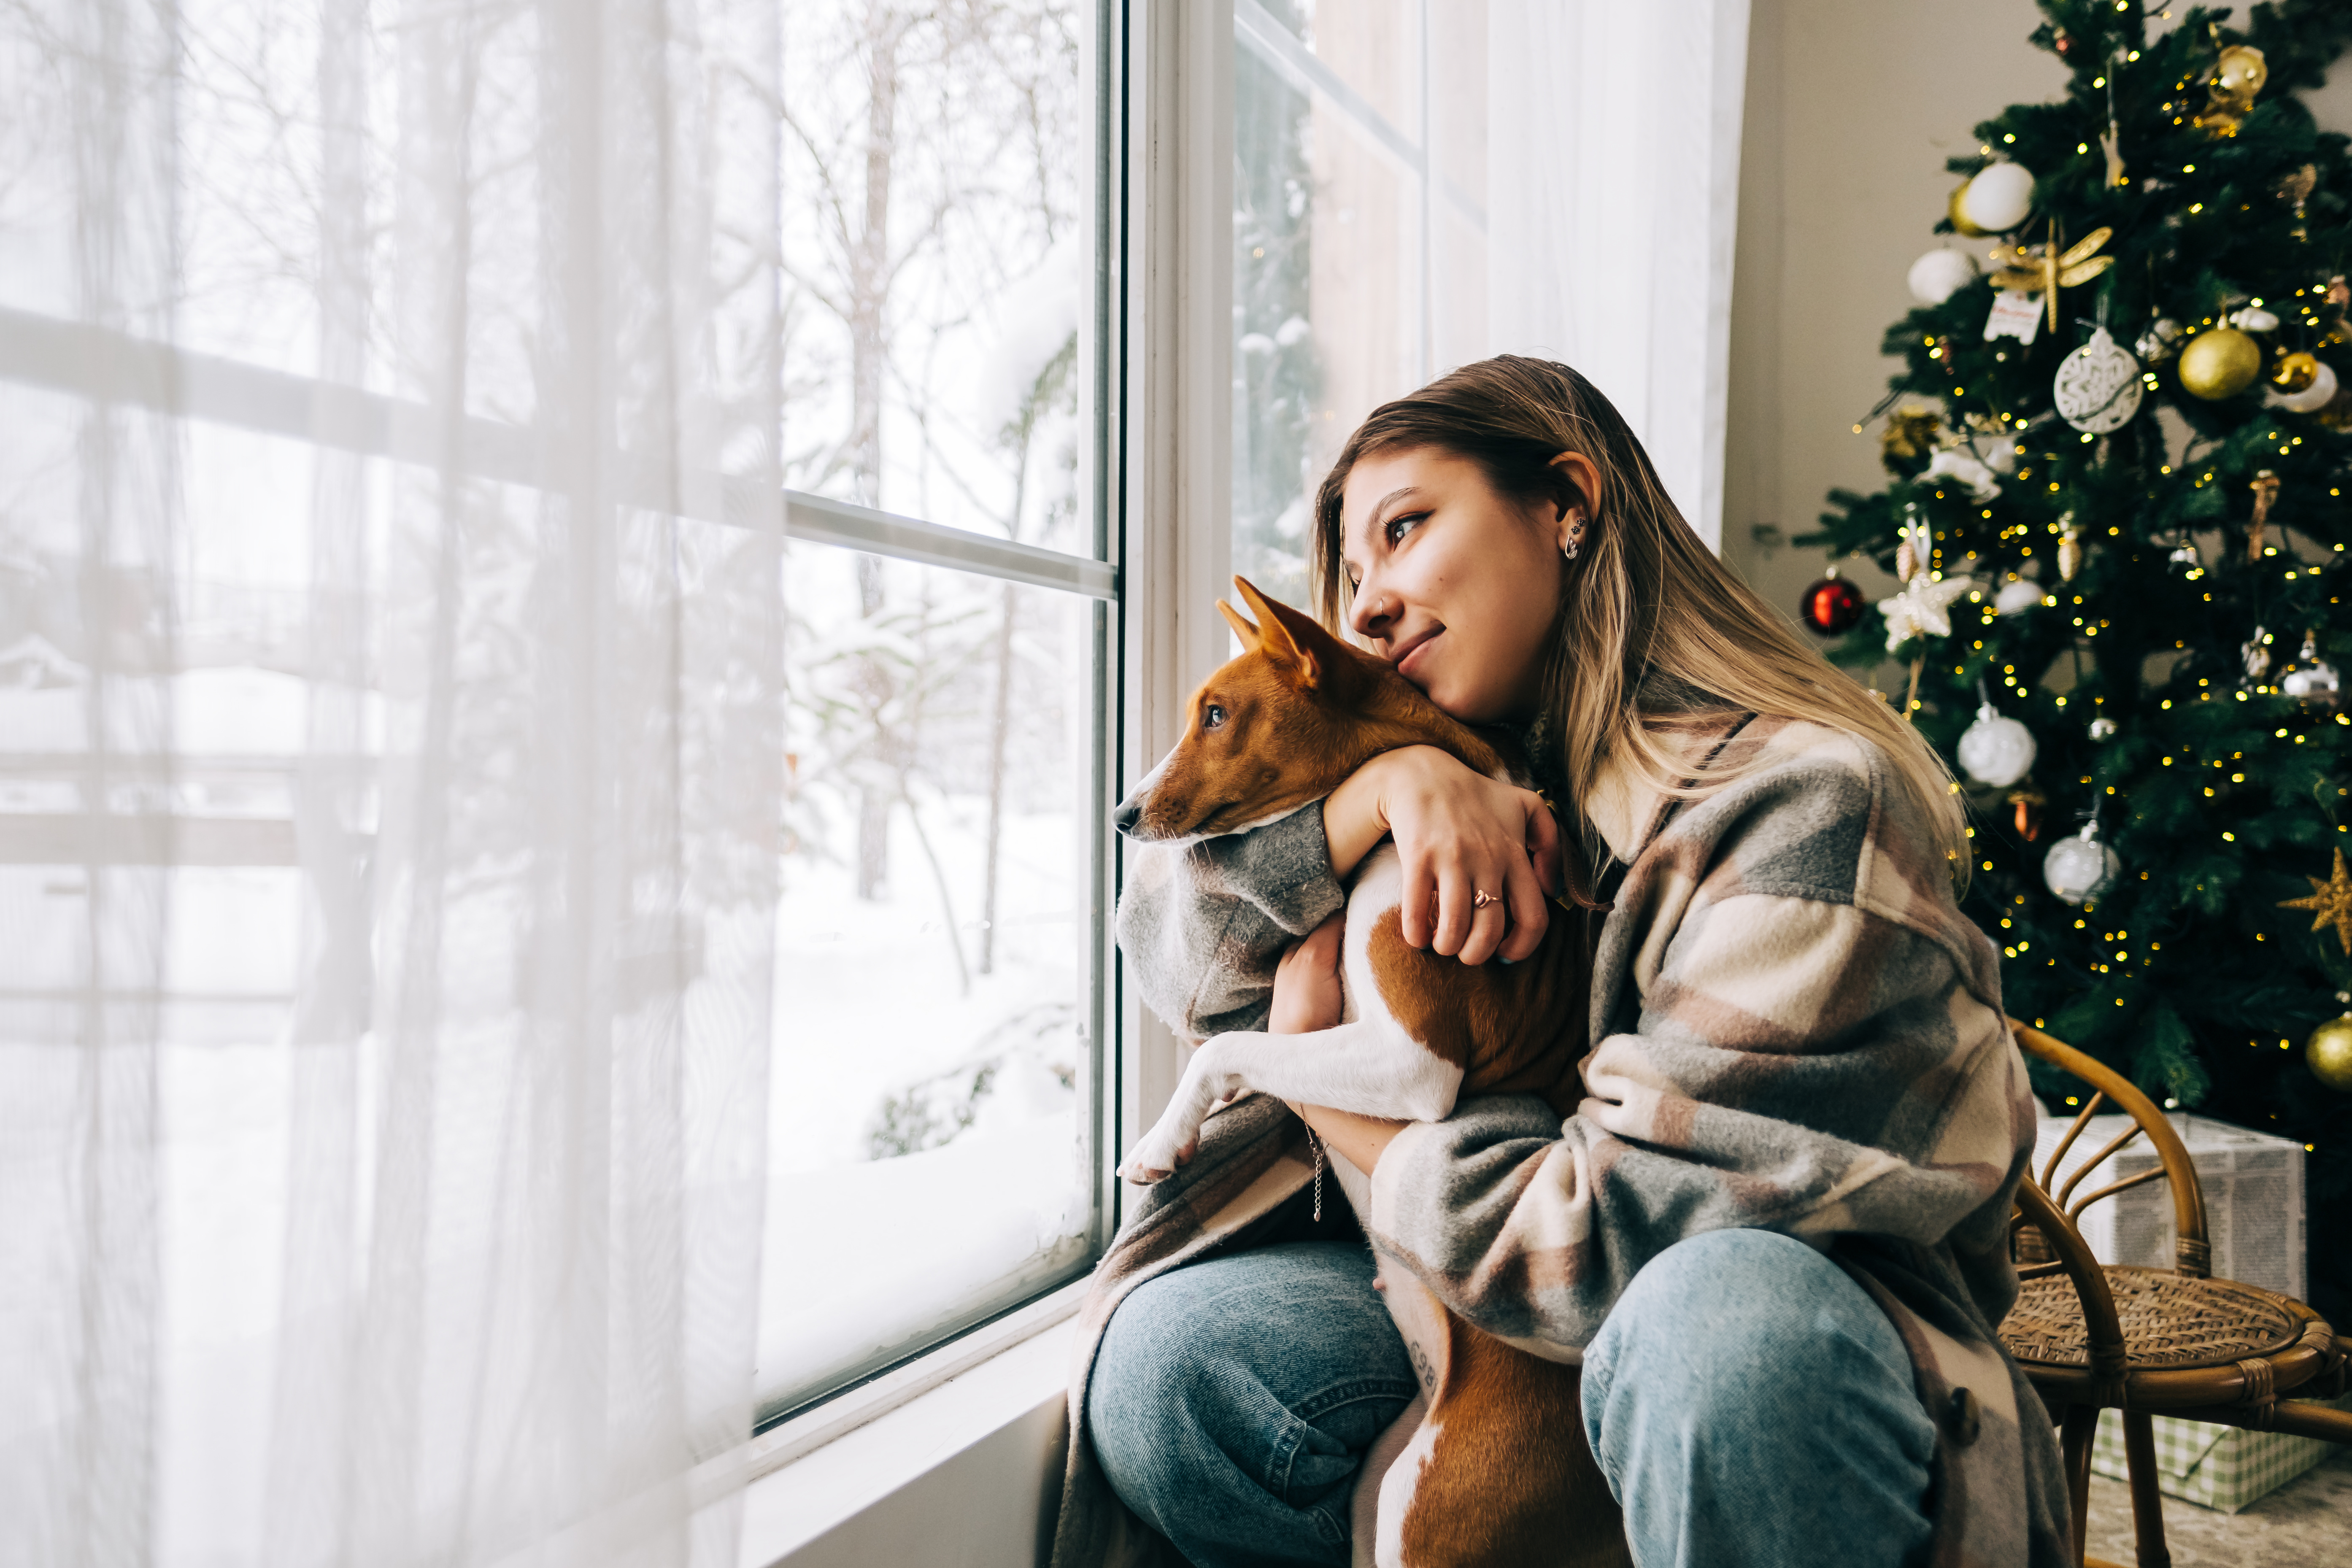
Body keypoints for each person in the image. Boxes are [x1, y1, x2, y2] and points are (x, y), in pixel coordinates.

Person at [1047, 357, 2070, 1568]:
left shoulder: (1802, 802)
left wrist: (1311, 1078)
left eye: (1407, 529)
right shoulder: (1458, 776)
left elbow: (1620, 1249)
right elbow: (1171, 955)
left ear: (1567, 505)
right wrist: (1378, 793)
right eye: (1354, 569)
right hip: (1501, 1314)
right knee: (1176, 1361)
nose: (1365, 605)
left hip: (1770, 1348)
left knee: (1715, 1329)